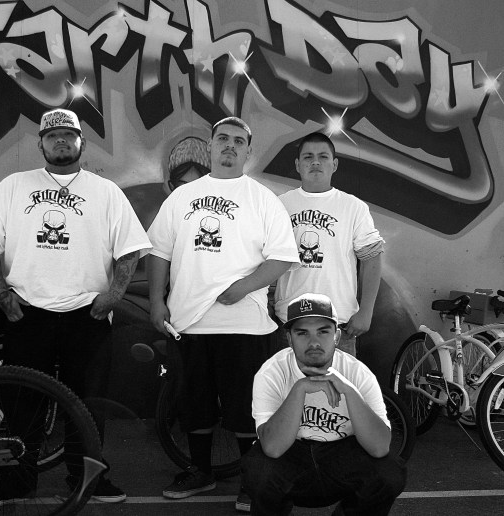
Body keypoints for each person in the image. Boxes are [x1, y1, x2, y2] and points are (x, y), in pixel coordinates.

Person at [0, 108, 151, 508]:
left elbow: (131, 248)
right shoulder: (14, 186)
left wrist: (114, 294)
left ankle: (85, 478)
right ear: (41, 144)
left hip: (88, 314)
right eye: (52, 136)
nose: (60, 141)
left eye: (68, 135)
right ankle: (17, 480)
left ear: (81, 142)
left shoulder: (105, 191)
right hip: (27, 312)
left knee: (87, 404)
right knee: (22, 403)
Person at [147, 116, 299, 512]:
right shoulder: (181, 197)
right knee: (194, 404)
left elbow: (283, 257)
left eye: (238, 141)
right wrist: (156, 302)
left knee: (247, 410)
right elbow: (159, 251)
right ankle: (200, 471)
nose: (229, 146)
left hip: (246, 326)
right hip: (189, 322)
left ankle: (252, 481)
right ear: (211, 147)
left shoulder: (262, 198)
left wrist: (243, 287)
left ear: (248, 151)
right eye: (222, 139)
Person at [242, 293, 406, 515]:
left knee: (389, 473)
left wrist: (350, 391)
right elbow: (272, 447)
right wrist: (300, 389)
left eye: (323, 331)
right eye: (302, 333)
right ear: (289, 338)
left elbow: (379, 448)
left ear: (337, 336)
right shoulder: (272, 372)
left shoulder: (357, 373)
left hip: (342, 455)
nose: (314, 343)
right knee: (258, 472)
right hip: (291, 455)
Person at [274, 132, 385, 356]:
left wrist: (366, 312)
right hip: (290, 323)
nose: (315, 162)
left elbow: (372, 258)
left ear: (334, 164)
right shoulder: (279, 206)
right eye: (308, 157)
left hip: (339, 326)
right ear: (297, 165)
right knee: (291, 391)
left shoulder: (353, 207)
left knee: (339, 391)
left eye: (323, 156)